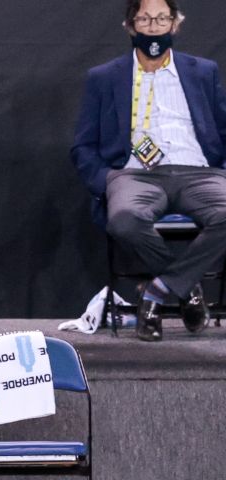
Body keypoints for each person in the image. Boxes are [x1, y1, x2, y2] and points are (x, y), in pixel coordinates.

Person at [71, 0, 226, 342]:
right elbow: (83, 145)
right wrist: (107, 182)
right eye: (145, 18)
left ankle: (156, 293)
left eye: (161, 18)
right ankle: (188, 291)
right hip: (135, 175)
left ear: (175, 24)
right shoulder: (104, 77)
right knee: (124, 219)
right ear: (130, 25)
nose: (153, 26)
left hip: (198, 172)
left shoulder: (203, 71)